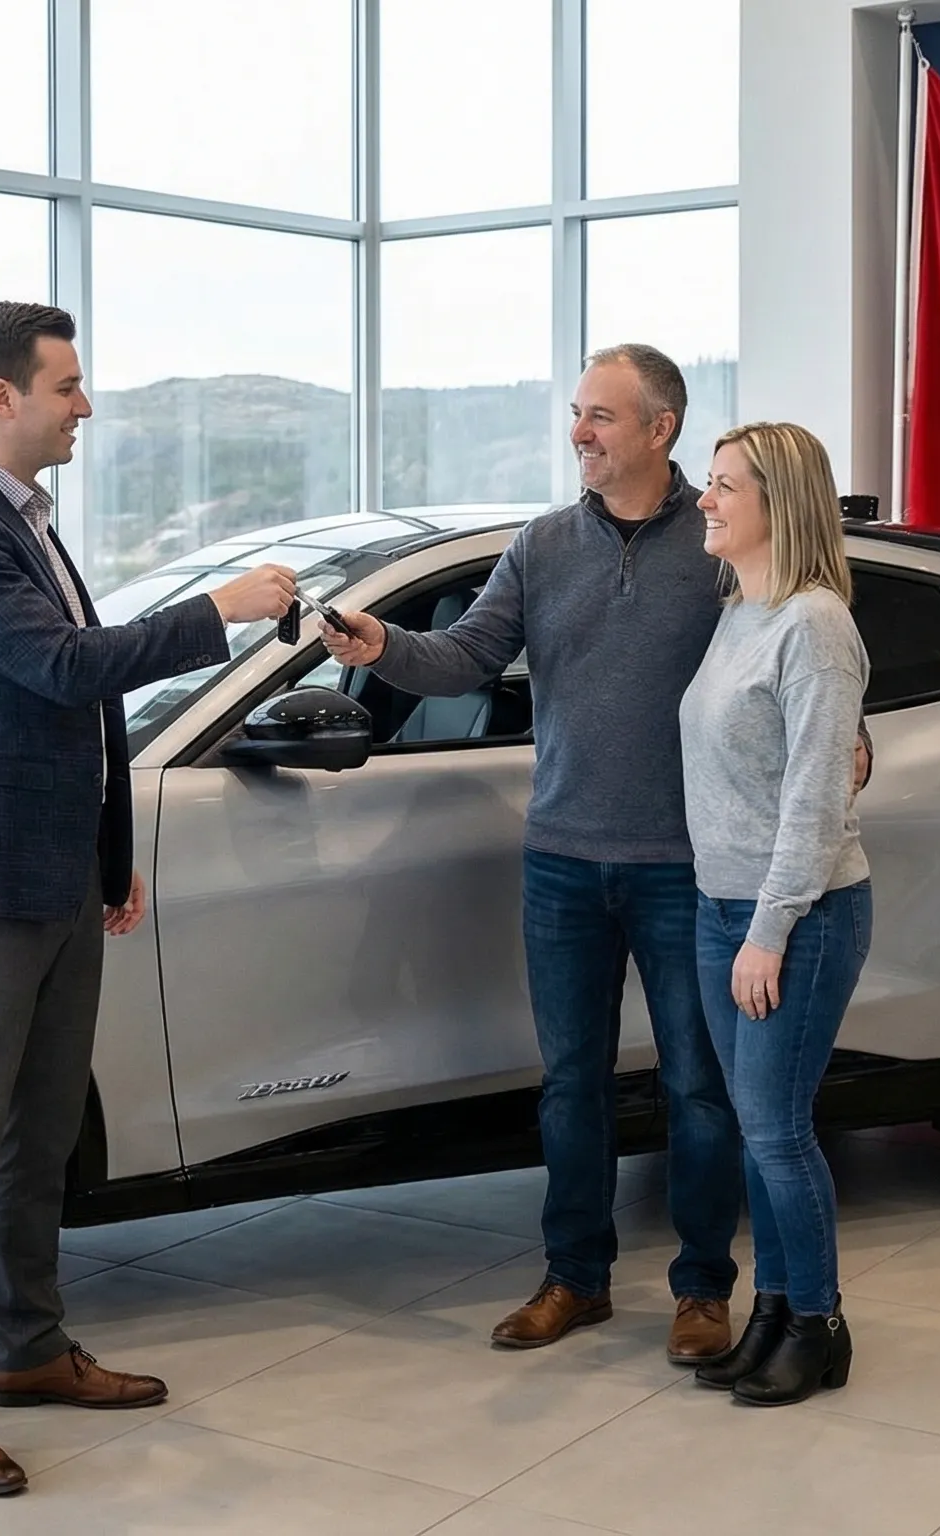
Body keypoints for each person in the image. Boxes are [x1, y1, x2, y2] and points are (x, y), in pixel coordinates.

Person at [0, 301, 298, 1496]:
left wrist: (110, 857)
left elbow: (81, 718)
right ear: (0, 397)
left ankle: (27, 1349)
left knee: (41, 1132)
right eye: (65, 385)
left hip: (57, 872)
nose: (84, 405)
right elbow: (65, 667)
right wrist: (216, 611)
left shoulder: (27, 523)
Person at [320, 344, 746, 1365]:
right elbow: (466, 652)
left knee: (696, 1084)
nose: (578, 433)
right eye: (574, 412)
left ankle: (701, 1291)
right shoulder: (543, 545)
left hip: (686, 863)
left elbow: (784, 660)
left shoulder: (723, 541)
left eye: (599, 416)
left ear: (660, 429)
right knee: (570, 1085)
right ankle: (575, 1279)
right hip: (561, 859)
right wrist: (385, 648)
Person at [679, 421, 873, 1407]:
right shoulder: (739, 613)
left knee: (777, 1129)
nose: (703, 502)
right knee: (757, 1130)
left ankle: (817, 1324)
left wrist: (766, 930)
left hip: (794, 915)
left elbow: (814, 798)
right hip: (720, 907)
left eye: (721, 487)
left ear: (775, 503)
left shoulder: (813, 627)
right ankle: (771, 1314)